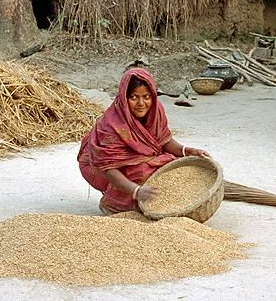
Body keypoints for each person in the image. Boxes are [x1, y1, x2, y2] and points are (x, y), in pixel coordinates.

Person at [78, 67, 209, 214]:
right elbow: (108, 169)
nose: (141, 103)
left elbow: (162, 141)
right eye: (134, 97)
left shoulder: (155, 110)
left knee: (171, 164)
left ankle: (143, 199)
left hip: (131, 161)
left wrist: (188, 151)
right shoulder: (112, 124)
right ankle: (112, 204)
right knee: (142, 171)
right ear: (124, 98)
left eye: (146, 96)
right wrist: (136, 191)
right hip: (97, 168)